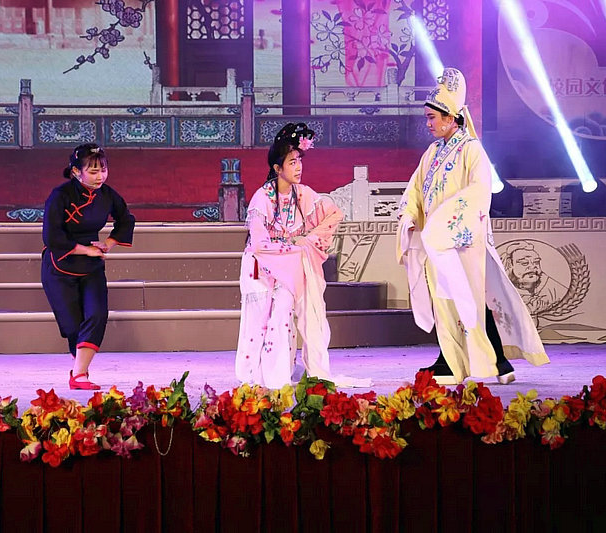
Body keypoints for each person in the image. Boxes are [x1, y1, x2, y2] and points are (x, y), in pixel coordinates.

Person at [396, 68, 549, 385]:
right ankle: (458, 361)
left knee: (470, 299)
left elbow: (479, 192)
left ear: (450, 118)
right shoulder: (432, 153)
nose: (428, 124)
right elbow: (416, 189)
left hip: (461, 241)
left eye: (431, 118)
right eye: (427, 118)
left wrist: (444, 224)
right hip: (438, 242)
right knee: (447, 302)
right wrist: (410, 215)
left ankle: (494, 361)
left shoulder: (471, 149)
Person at [235, 123, 371, 389]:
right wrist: (291, 248)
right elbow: (260, 244)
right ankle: (255, 374)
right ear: (278, 168)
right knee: (258, 320)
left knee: (283, 312)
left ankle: (280, 375)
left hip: (289, 267)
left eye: (299, 161)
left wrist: (307, 241)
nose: (298, 167)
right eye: (292, 162)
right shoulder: (262, 197)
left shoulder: (304, 194)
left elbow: (334, 214)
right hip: (260, 267)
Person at [41, 143, 135, 390]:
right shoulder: (60, 195)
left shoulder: (108, 195)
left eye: (103, 170)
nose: (100, 176)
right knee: (73, 325)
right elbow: (51, 237)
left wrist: (108, 244)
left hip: (92, 265)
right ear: (76, 172)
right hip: (60, 264)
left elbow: (126, 219)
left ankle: (79, 375)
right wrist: (85, 249)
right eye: (93, 171)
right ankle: (79, 370)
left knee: (96, 314)